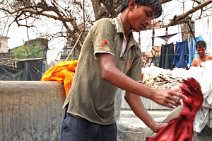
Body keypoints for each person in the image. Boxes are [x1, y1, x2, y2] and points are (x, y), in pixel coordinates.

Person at [60, 0, 184, 141]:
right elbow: (107, 70)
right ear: (132, 4)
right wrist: (153, 93)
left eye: (152, 18)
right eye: (147, 14)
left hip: (107, 122)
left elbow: (131, 95)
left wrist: (154, 125)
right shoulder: (106, 26)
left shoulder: (135, 50)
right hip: (80, 116)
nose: (149, 22)